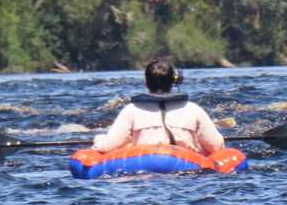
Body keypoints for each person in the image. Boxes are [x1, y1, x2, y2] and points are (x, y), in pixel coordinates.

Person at [92, 58, 225, 155]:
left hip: (146, 169)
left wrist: (99, 139)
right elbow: (217, 146)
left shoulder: (131, 110)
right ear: (173, 82)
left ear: (146, 83)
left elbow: (107, 147)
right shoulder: (193, 109)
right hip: (187, 168)